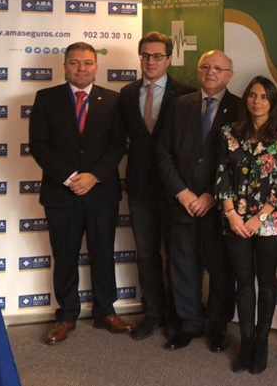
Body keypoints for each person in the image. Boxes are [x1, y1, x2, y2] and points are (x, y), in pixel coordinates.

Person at [29, 41, 132, 344]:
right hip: (61, 194)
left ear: (96, 66)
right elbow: (38, 145)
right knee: (64, 255)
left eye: (87, 63)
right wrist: (71, 177)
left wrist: (93, 176)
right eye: (74, 63)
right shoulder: (46, 98)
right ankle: (67, 315)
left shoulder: (113, 100)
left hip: (101, 192)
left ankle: (105, 311)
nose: (81, 68)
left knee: (103, 252)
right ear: (64, 66)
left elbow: (118, 145)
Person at [156, 50, 237, 352]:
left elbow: (240, 163)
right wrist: (183, 192)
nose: (210, 72)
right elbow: (163, 153)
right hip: (182, 202)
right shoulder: (179, 105)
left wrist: (212, 196)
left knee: (221, 270)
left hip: (218, 208)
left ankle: (217, 326)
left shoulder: (241, 109)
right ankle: (189, 323)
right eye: (205, 67)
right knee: (183, 266)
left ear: (230, 74)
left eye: (218, 68)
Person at [216, 76, 277, 375]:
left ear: (272, 101)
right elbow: (222, 174)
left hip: (269, 221)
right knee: (243, 282)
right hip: (235, 220)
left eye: (263, 96)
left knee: (265, 282)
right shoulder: (229, 132)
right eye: (252, 95)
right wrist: (231, 214)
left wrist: (257, 218)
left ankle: (262, 341)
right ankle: (246, 341)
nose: (257, 101)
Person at [119, 31, 196, 340]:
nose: (150, 61)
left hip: (176, 188)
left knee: (179, 255)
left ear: (169, 58)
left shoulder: (186, 94)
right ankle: (153, 313)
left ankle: (180, 316)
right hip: (139, 187)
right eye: (145, 56)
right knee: (147, 253)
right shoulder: (126, 93)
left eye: (157, 56)